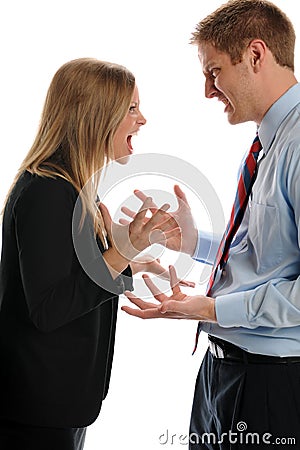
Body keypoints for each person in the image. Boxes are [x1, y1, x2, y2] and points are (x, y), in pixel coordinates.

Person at [120, 1, 300, 448]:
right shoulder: (269, 141)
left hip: (272, 383)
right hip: (223, 372)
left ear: (256, 55)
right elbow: (268, 253)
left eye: (214, 71)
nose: (207, 91)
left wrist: (212, 309)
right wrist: (194, 241)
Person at [0, 58, 182, 450]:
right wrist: (120, 253)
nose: (143, 119)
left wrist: (132, 258)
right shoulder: (48, 192)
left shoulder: (73, 188)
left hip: (58, 408)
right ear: (96, 115)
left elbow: (74, 278)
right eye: (131, 109)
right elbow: (48, 310)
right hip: (35, 415)